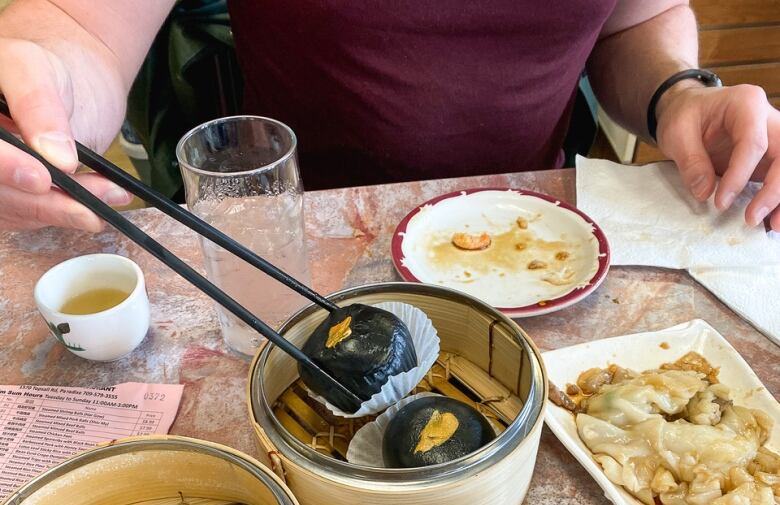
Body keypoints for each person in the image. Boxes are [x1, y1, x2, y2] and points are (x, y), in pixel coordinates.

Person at [0, 0, 777, 233]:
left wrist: (682, 93)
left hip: (534, 236)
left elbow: (635, 19)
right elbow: (81, 28)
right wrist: (42, 86)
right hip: (295, 247)